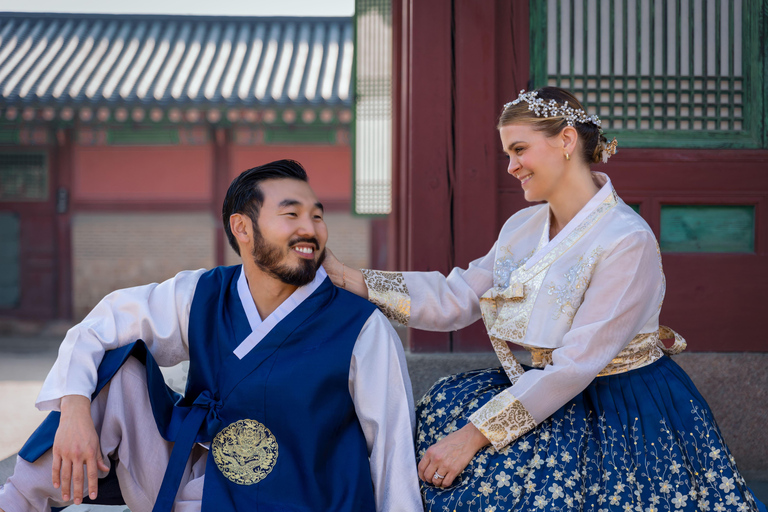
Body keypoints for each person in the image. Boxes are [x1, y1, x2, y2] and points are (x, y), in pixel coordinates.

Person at [323, 88, 766, 512]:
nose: (511, 166)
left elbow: (576, 364)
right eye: (507, 154)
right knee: (442, 411)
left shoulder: (626, 239)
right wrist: (350, 277)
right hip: (545, 386)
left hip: (623, 405)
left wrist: (475, 435)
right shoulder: (521, 226)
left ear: (566, 141)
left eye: (519, 150)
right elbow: (458, 296)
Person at [0, 160, 423, 512]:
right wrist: (74, 411)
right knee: (112, 372)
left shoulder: (359, 326)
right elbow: (101, 324)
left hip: (300, 496)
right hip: (196, 482)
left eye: (317, 215)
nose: (310, 229)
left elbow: (392, 450)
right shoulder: (203, 293)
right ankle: (16, 501)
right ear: (242, 227)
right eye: (291, 214)